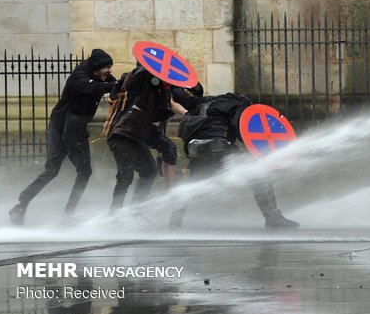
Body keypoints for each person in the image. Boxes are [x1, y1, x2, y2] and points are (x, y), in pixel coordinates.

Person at [9, 49, 116, 226]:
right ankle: (22, 204)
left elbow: (115, 85)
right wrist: (115, 85)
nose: (109, 71)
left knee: (84, 172)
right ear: (97, 67)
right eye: (107, 67)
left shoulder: (101, 77)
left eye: (110, 67)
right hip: (61, 127)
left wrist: (125, 83)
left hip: (74, 128)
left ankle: (68, 214)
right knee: (54, 170)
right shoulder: (79, 76)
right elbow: (93, 88)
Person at [170, 84, 299, 229]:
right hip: (218, 147)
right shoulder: (237, 106)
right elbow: (244, 133)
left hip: (195, 148)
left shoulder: (204, 102)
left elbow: (182, 99)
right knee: (259, 176)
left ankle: (174, 220)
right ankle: (273, 218)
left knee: (191, 185)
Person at [105, 65, 174, 212]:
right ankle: (114, 214)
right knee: (125, 176)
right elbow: (134, 79)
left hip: (137, 135)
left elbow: (162, 112)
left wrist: (166, 89)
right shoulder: (138, 79)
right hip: (123, 134)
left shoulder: (157, 89)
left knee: (149, 170)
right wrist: (151, 71)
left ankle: (136, 211)